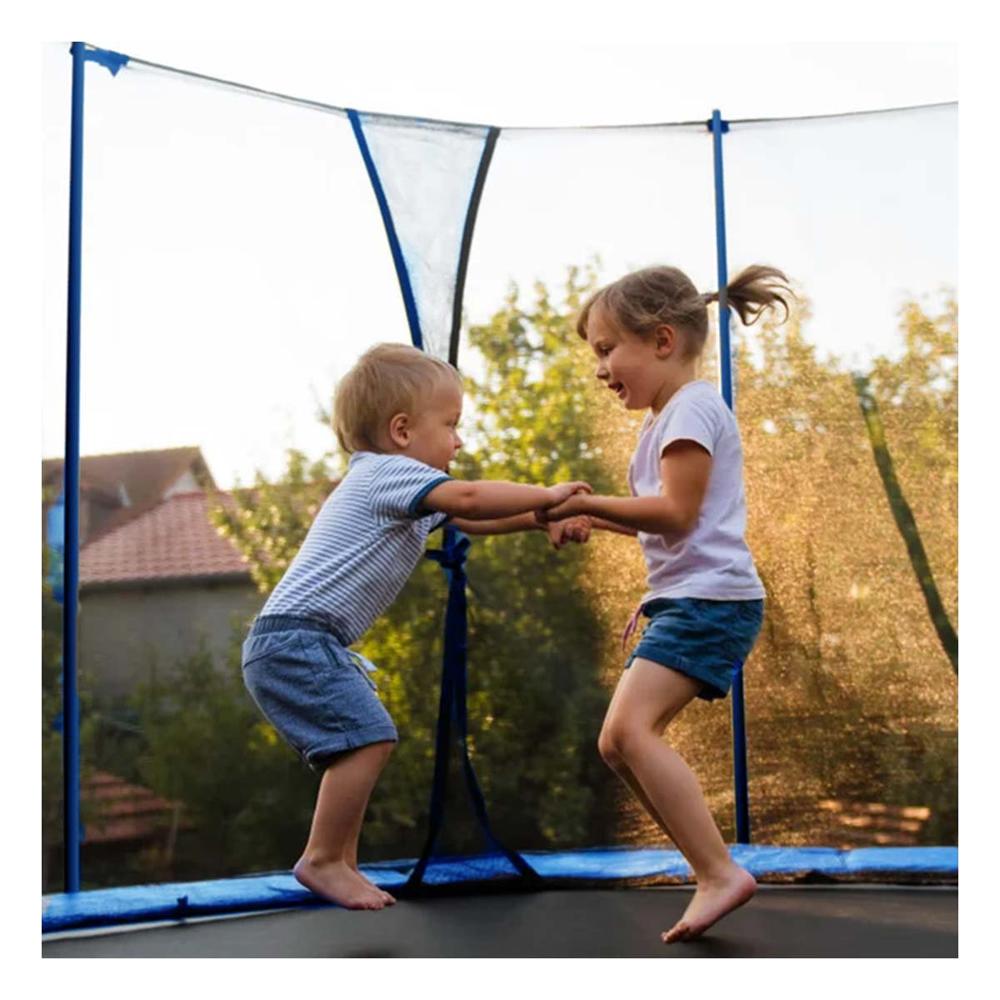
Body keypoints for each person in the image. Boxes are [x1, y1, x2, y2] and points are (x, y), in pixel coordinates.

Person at [241, 342, 594, 911]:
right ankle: (323, 858)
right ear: (402, 431)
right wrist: (549, 494)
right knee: (369, 738)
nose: (459, 440)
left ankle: (339, 860)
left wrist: (539, 519)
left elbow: (472, 518)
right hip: (296, 640)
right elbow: (471, 497)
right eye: (451, 425)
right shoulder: (386, 473)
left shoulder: (397, 487)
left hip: (299, 641)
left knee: (360, 742)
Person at [538, 264, 792, 943]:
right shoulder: (664, 420)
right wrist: (593, 518)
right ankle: (710, 868)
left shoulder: (692, 409)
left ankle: (718, 872)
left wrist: (586, 502)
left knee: (629, 733)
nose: (600, 369)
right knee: (616, 743)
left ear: (661, 340)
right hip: (690, 601)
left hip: (712, 602)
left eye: (605, 349)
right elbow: (670, 521)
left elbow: (675, 513)